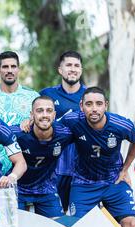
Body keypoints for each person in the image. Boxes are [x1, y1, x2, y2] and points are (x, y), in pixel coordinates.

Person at [60, 87, 135, 227]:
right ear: (81, 106)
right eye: (89, 104)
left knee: (131, 225)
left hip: (114, 181)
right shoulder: (71, 120)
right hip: (83, 182)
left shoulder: (120, 124)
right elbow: (49, 128)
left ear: (106, 105)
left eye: (98, 104)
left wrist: (125, 169)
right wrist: (29, 121)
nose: (94, 109)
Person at [10, 96, 73, 218]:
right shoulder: (18, 133)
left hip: (46, 188)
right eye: (39, 111)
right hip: (19, 189)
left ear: (54, 115)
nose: (45, 115)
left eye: (49, 111)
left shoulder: (65, 134)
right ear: (31, 115)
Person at [39, 51, 87, 212]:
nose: (72, 69)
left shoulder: (90, 97)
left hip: (81, 168)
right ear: (60, 69)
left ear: (81, 69)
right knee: (54, 219)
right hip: (54, 166)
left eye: (76, 65)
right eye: (68, 65)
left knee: (78, 219)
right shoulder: (47, 94)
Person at [0, 51, 39, 175]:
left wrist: (33, 122)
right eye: (5, 67)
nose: (9, 70)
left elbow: (44, 127)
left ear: (18, 70)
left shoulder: (33, 96)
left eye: (13, 66)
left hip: (25, 168)